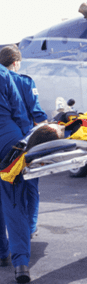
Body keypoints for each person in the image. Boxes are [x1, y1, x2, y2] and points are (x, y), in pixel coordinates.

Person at [0, 45, 48, 243]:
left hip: (5, 141)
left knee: (7, 193)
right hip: (24, 141)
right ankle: (29, 228)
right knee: (30, 186)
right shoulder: (25, 82)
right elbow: (35, 113)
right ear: (15, 62)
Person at [0, 63, 31, 283]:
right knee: (14, 201)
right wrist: (27, 138)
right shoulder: (3, 73)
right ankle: (21, 263)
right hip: (8, 139)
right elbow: (19, 109)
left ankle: (2, 253)